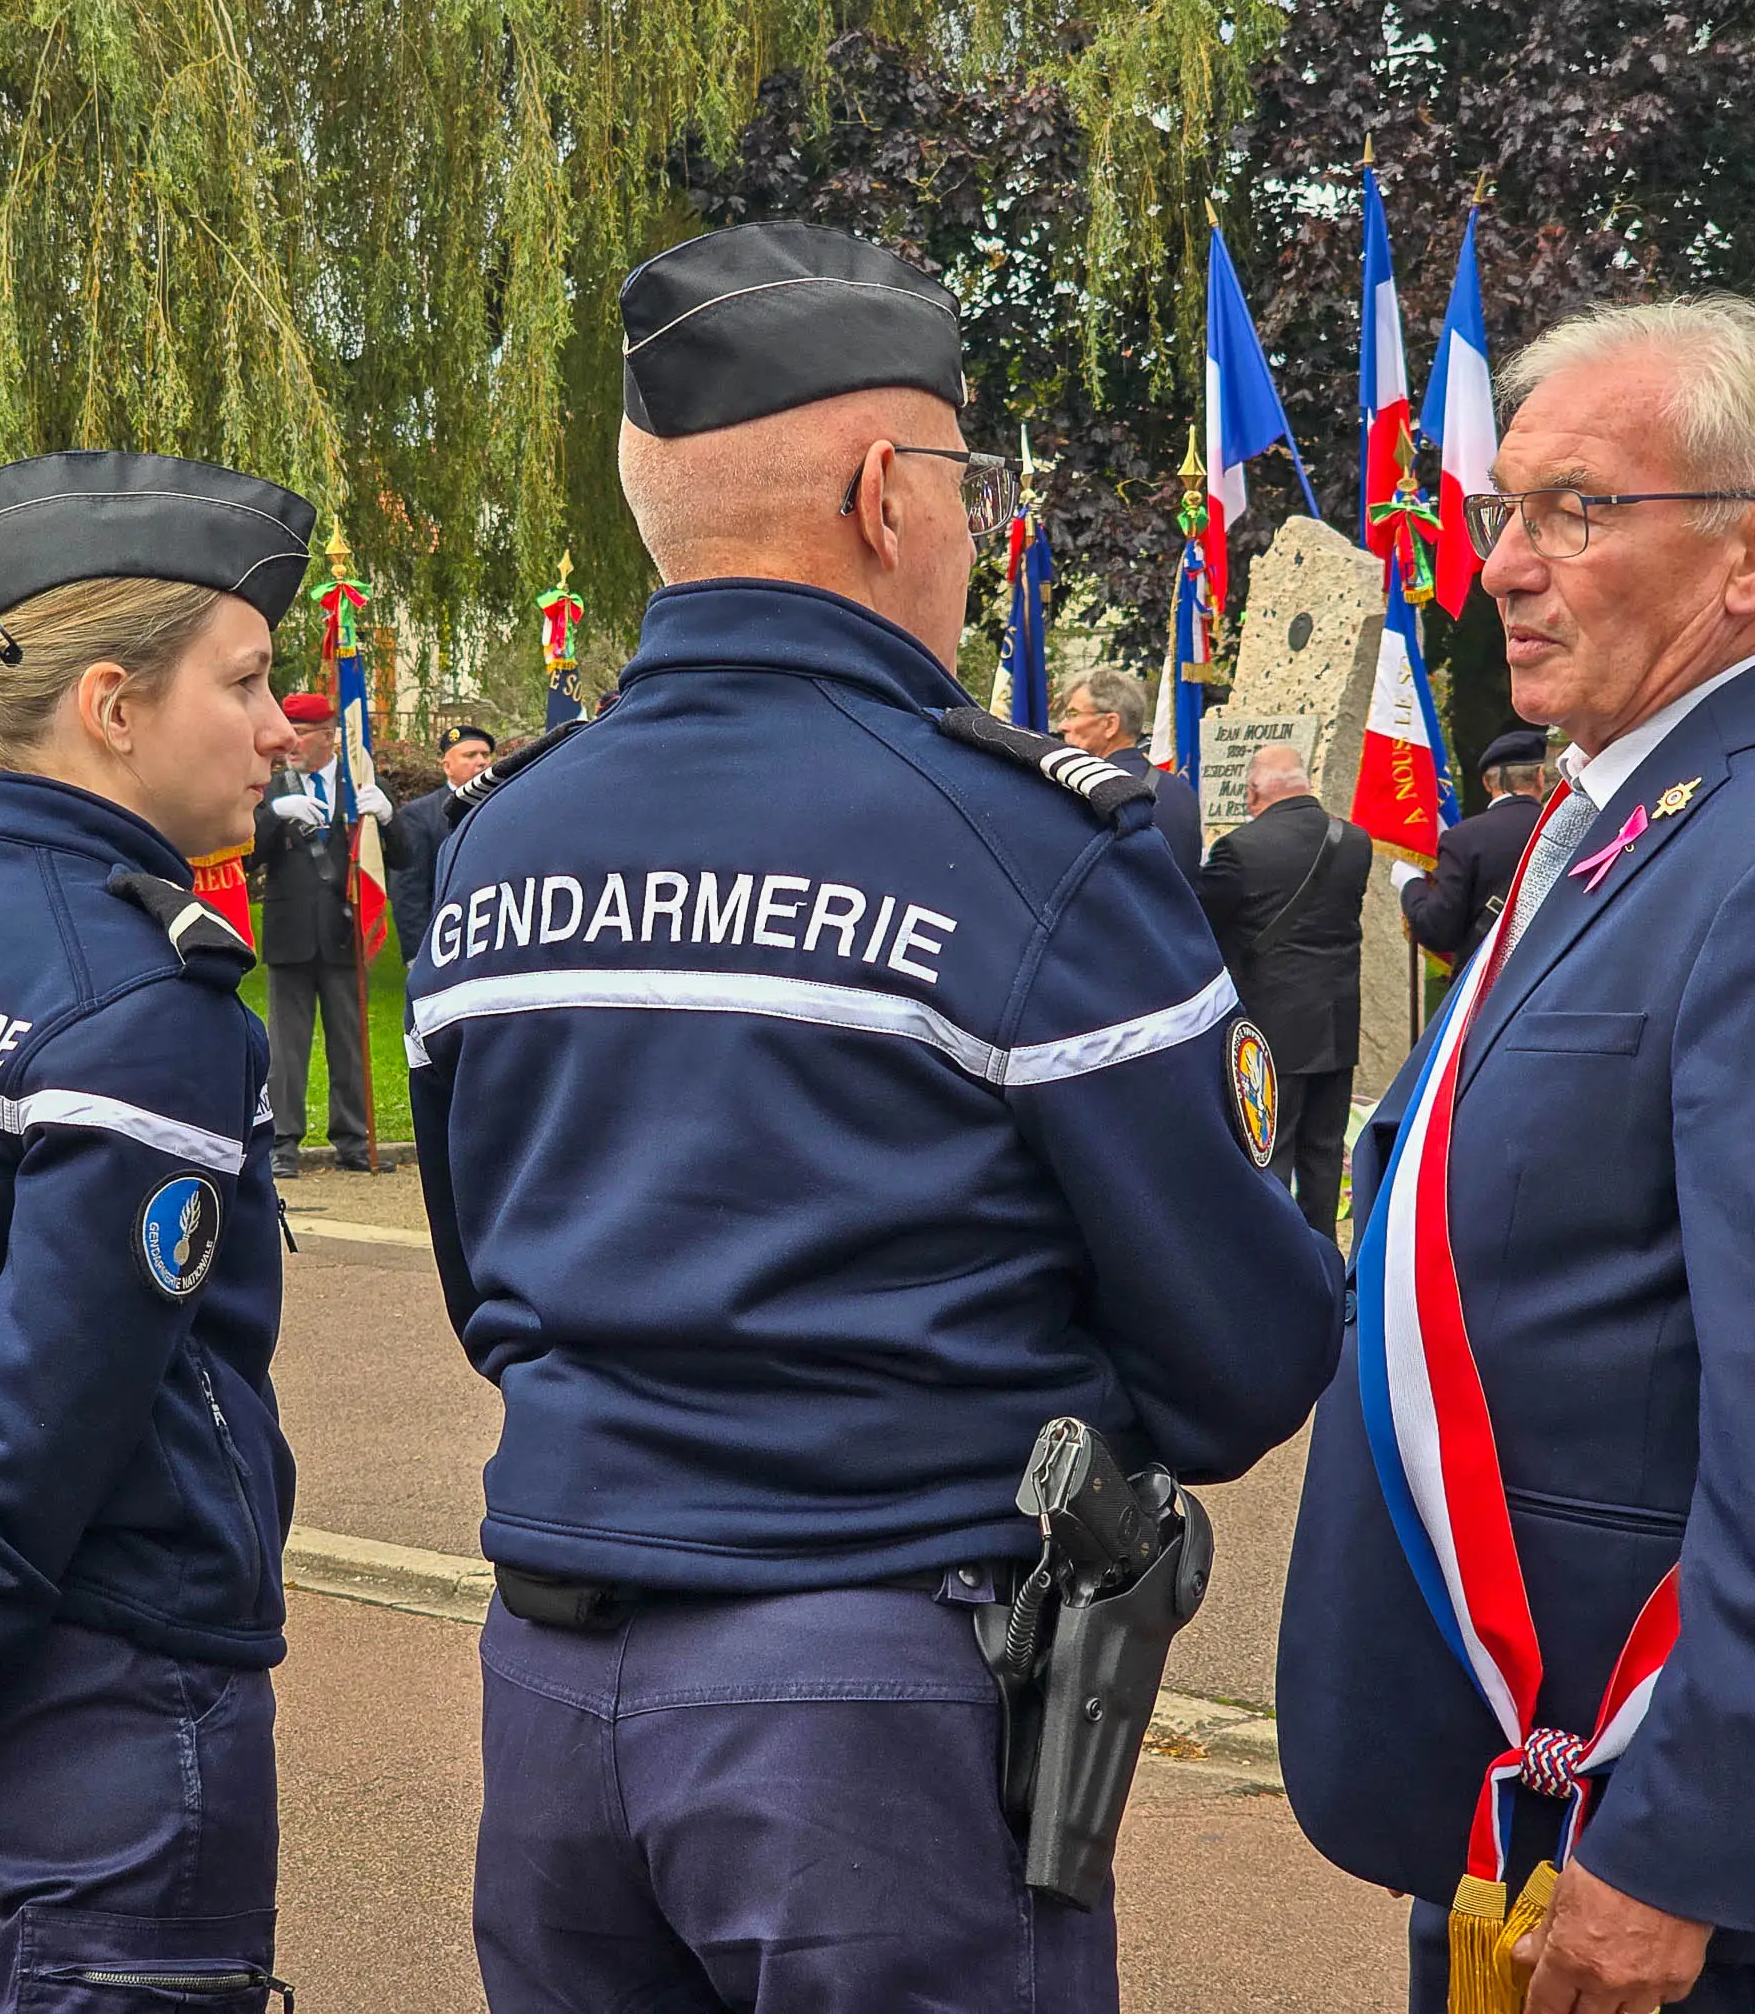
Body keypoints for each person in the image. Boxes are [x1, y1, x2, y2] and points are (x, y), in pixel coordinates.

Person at [407, 219, 1345, 2014]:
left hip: (548, 1684)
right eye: (961, 480)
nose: (977, 529)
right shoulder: (1027, 842)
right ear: (876, 491)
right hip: (871, 1708)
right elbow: (1238, 1346)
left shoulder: (501, 838)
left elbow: (485, 1281)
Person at [1277, 296, 1755, 2014]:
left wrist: (1674, 1842)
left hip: (1648, 1829)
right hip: (1527, 1782)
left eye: (1575, 508)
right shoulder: (1635, 815)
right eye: (1507, 508)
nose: (1499, 565)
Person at [0, 450, 311, 2009]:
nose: (282, 727)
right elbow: (36, 1438)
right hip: (91, 1696)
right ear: (112, 706)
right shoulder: (148, 1002)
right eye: (248, 680)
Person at [1195, 743, 1372, 1233]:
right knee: (1324, 1155)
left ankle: (1275, 1267)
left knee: (1269, 1152)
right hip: (1337, 1023)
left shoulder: (1240, 849)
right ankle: (1323, 1265)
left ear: (1254, 792)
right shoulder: (1355, 841)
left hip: (1272, 1028)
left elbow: (1205, 925)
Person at [251, 694, 403, 1176]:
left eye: (302, 734)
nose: (291, 744)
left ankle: (354, 1139)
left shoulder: (358, 783)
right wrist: (275, 814)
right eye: (289, 732)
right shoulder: (271, 787)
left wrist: (388, 818)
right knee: (286, 1047)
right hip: (290, 930)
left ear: (329, 736)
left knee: (349, 1039)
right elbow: (248, 853)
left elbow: (399, 857)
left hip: (345, 929)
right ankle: (282, 1143)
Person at [1392, 727, 1550, 968]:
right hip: (1554, 976)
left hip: (1488, 982)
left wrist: (1410, 882)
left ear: (1487, 783)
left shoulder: (1462, 838)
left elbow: (1438, 930)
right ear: (1540, 776)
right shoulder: (1566, 827)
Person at [1057, 666, 1204, 878]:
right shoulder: (1181, 791)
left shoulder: (1086, 792)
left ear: (1110, 724)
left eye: (1073, 714)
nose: (1063, 725)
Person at [389, 721, 494, 960]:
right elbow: (409, 890)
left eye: (485, 755)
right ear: (447, 766)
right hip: (446, 940)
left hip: (494, 937)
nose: (481, 761)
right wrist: (417, 954)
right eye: (470, 755)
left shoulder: (504, 805)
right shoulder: (420, 815)